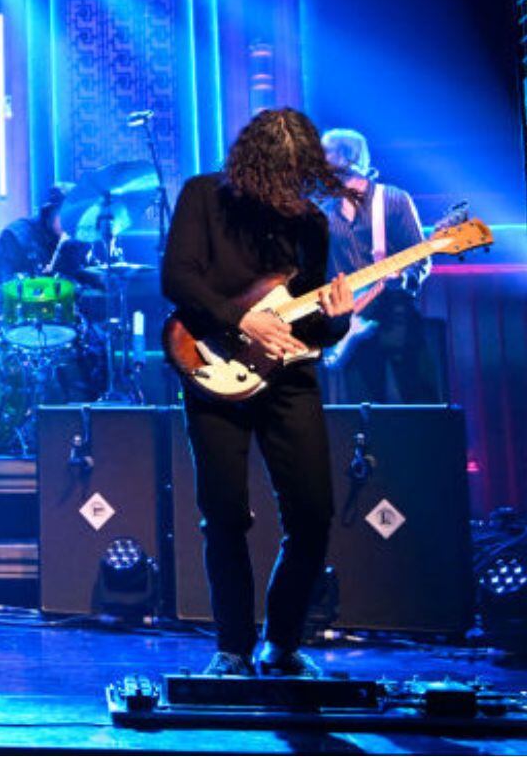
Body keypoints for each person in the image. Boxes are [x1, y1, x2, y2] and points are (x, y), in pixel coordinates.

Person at [161, 108, 358, 678]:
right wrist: (237, 320)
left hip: (288, 379)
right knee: (223, 513)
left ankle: (282, 641)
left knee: (314, 514)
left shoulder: (310, 225)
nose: (290, 188)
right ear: (255, 165)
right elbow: (177, 279)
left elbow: (314, 326)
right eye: (283, 174)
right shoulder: (204, 196)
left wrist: (338, 319)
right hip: (212, 369)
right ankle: (232, 648)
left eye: (301, 175)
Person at [318, 128, 439, 403]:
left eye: (325, 153)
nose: (318, 160)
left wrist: (404, 279)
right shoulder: (324, 213)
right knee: (364, 413)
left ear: (346, 156)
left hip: (397, 318)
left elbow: (420, 258)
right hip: (350, 325)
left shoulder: (393, 199)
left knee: (418, 405)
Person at [0, 182, 101, 295]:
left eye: (76, 217)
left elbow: (90, 276)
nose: (71, 223)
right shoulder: (16, 236)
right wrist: (38, 283)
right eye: (66, 216)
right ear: (48, 212)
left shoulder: (78, 238)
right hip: (27, 310)